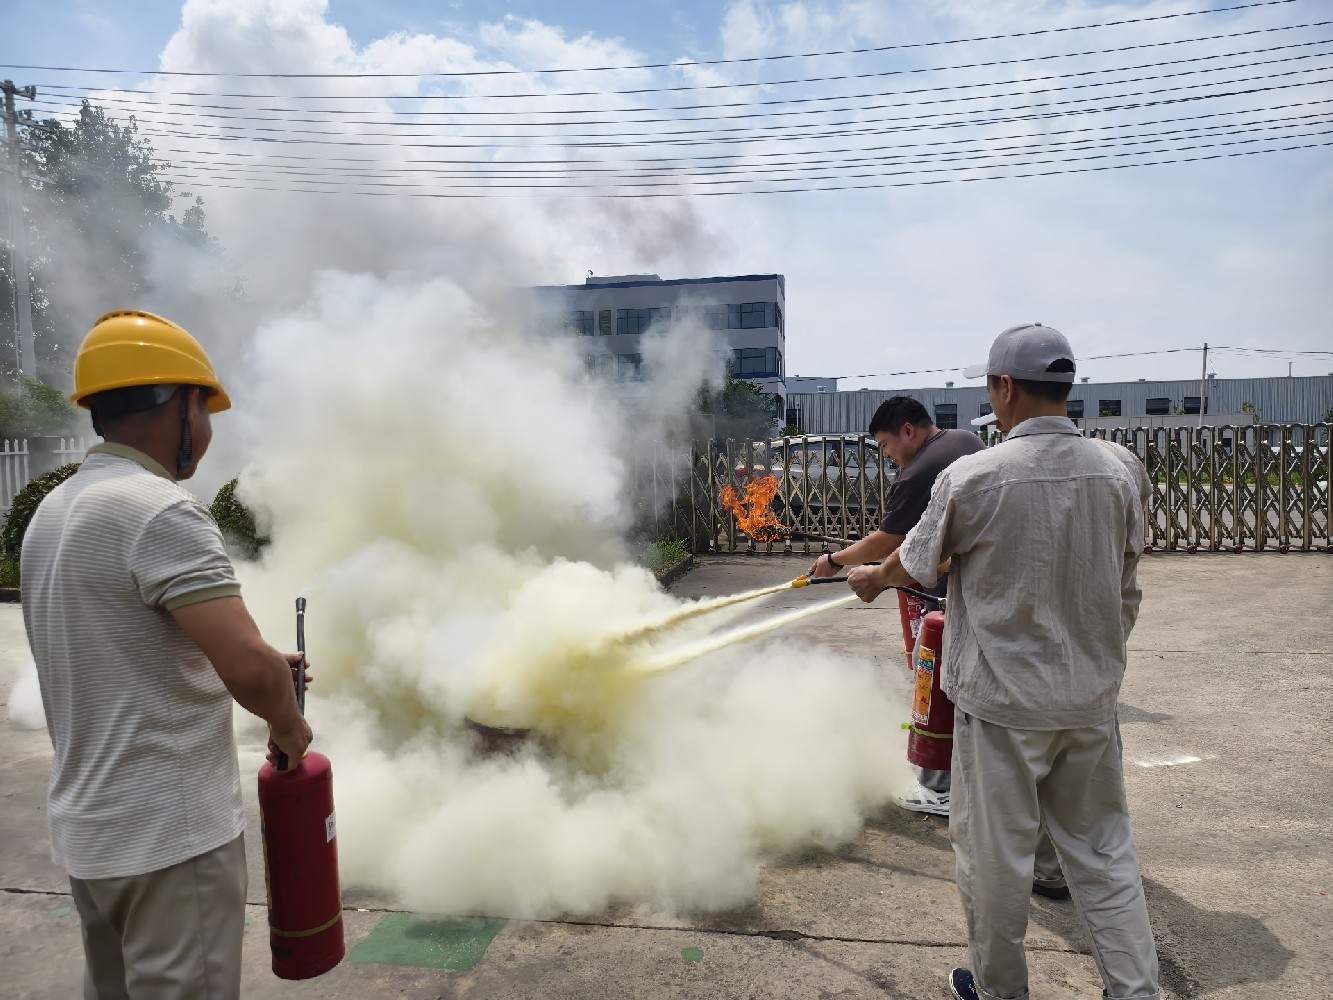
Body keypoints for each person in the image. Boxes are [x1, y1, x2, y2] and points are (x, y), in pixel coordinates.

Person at [848, 324, 1159, 1000]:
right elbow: (1126, 578)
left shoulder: (975, 476)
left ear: (1004, 387)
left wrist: (874, 578)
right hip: (1088, 700)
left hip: (1001, 709)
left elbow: (917, 559)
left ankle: (998, 991)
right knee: (1104, 857)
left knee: (993, 862)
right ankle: (1135, 992)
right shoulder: (1119, 469)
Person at [21, 310, 314, 1000]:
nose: (209, 431)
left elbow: (119, 645)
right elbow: (246, 671)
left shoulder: (54, 512)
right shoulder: (159, 510)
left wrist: (262, 664)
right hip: (170, 840)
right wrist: (288, 723)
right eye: (206, 409)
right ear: (182, 404)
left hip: (92, 836)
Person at [807, 396, 983, 815]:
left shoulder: (921, 472)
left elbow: (887, 542)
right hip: (978, 586)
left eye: (886, 446)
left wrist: (833, 561)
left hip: (948, 594)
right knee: (963, 683)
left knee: (935, 674)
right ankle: (965, 773)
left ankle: (939, 788)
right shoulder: (965, 440)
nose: (887, 457)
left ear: (908, 431)